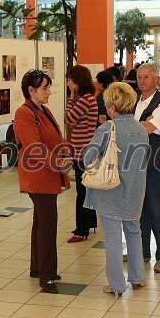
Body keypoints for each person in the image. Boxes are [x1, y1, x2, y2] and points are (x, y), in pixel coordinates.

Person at [83, 82, 148, 298]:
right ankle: (138, 277)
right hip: (135, 190)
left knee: (112, 237)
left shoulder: (107, 128)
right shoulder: (141, 129)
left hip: (112, 190)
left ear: (112, 106)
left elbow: (88, 157)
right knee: (134, 231)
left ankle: (117, 284)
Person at [14, 69, 71, 294]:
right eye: (45, 88)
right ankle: (46, 276)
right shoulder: (24, 113)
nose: (49, 92)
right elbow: (34, 147)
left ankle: (38, 268)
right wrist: (58, 162)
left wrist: (66, 151)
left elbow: (56, 137)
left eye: (49, 87)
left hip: (47, 173)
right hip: (37, 175)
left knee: (40, 221)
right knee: (48, 224)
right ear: (31, 90)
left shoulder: (43, 110)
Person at [131, 63, 160, 273]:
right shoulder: (135, 103)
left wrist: (140, 125)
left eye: (146, 77)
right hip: (138, 164)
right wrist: (141, 123)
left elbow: (148, 129)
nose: (142, 81)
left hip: (158, 164)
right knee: (141, 211)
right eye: (139, 77)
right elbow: (136, 128)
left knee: (158, 210)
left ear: (156, 79)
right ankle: (142, 253)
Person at [64, 65, 98, 243]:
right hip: (86, 151)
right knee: (87, 190)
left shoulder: (84, 100)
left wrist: (70, 98)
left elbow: (68, 119)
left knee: (82, 191)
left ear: (78, 81)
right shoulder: (87, 99)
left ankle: (81, 229)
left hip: (83, 152)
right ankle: (89, 223)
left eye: (70, 81)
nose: (68, 84)